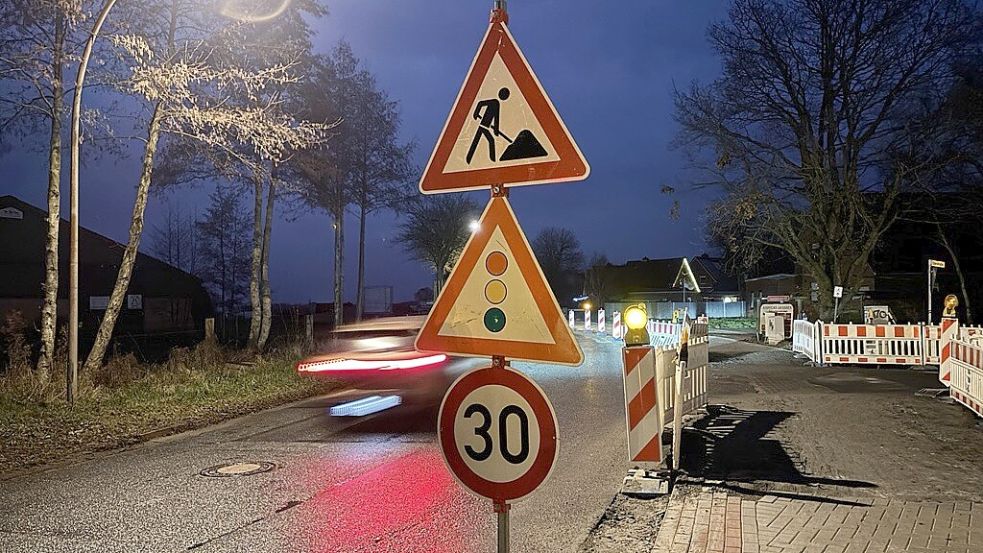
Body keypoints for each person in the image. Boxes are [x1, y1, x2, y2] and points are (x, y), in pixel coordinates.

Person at [466, 87, 510, 164]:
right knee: (487, 141)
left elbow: (496, 118)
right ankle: (492, 161)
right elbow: (480, 103)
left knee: (477, 141)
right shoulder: (494, 102)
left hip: (485, 127)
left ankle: (468, 159)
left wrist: (496, 130)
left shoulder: (497, 104)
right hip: (483, 126)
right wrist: (476, 113)